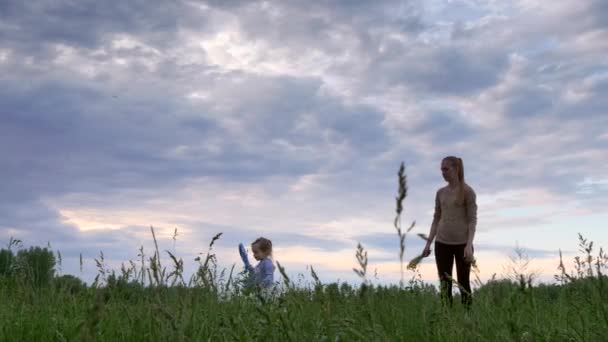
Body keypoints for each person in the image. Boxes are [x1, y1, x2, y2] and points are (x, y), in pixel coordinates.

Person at [422, 156, 477, 307]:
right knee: (444, 284)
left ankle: (468, 318)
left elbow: (472, 220)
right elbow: (436, 219)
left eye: (446, 169)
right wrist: (428, 244)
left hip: (463, 245)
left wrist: (469, 245)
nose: (443, 172)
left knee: (463, 283)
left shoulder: (468, 192)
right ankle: (447, 319)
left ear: (456, 169)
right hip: (442, 243)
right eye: (441, 169)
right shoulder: (440, 193)